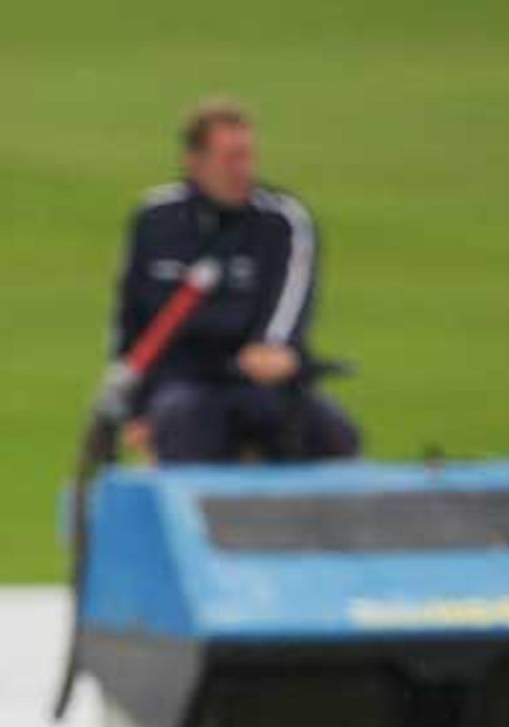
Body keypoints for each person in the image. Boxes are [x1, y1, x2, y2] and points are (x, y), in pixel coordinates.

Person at [111, 98, 360, 464]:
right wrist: (135, 409)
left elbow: (291, 300)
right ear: (194, 162)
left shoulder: (282, 220)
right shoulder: (154, 220)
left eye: (247, 156)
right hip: (184, 383)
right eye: (230, 158)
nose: (242, 169)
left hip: (261, 381)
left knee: (335, 436)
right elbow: (131, 321)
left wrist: (273, 347)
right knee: (182, 420)